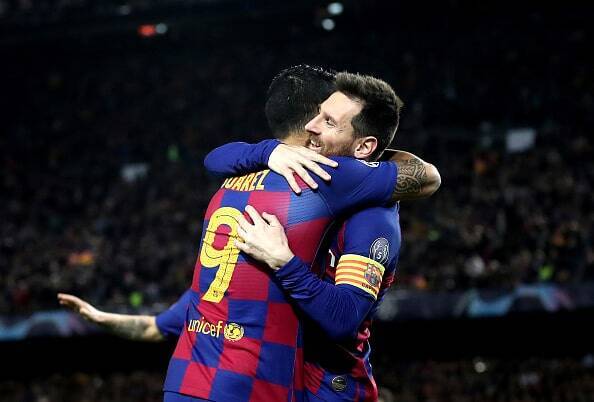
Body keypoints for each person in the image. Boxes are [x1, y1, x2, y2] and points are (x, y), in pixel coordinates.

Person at [61, 65, 440, 402]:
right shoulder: (296, 190)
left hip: (333, 389)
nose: (314, 126)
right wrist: (269, 151)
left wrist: (285, 262)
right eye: (317, 116)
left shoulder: (368, 212)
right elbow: (161, 325)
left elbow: (344, 318)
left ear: (364, 146)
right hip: (274, 383)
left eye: (328, 121)